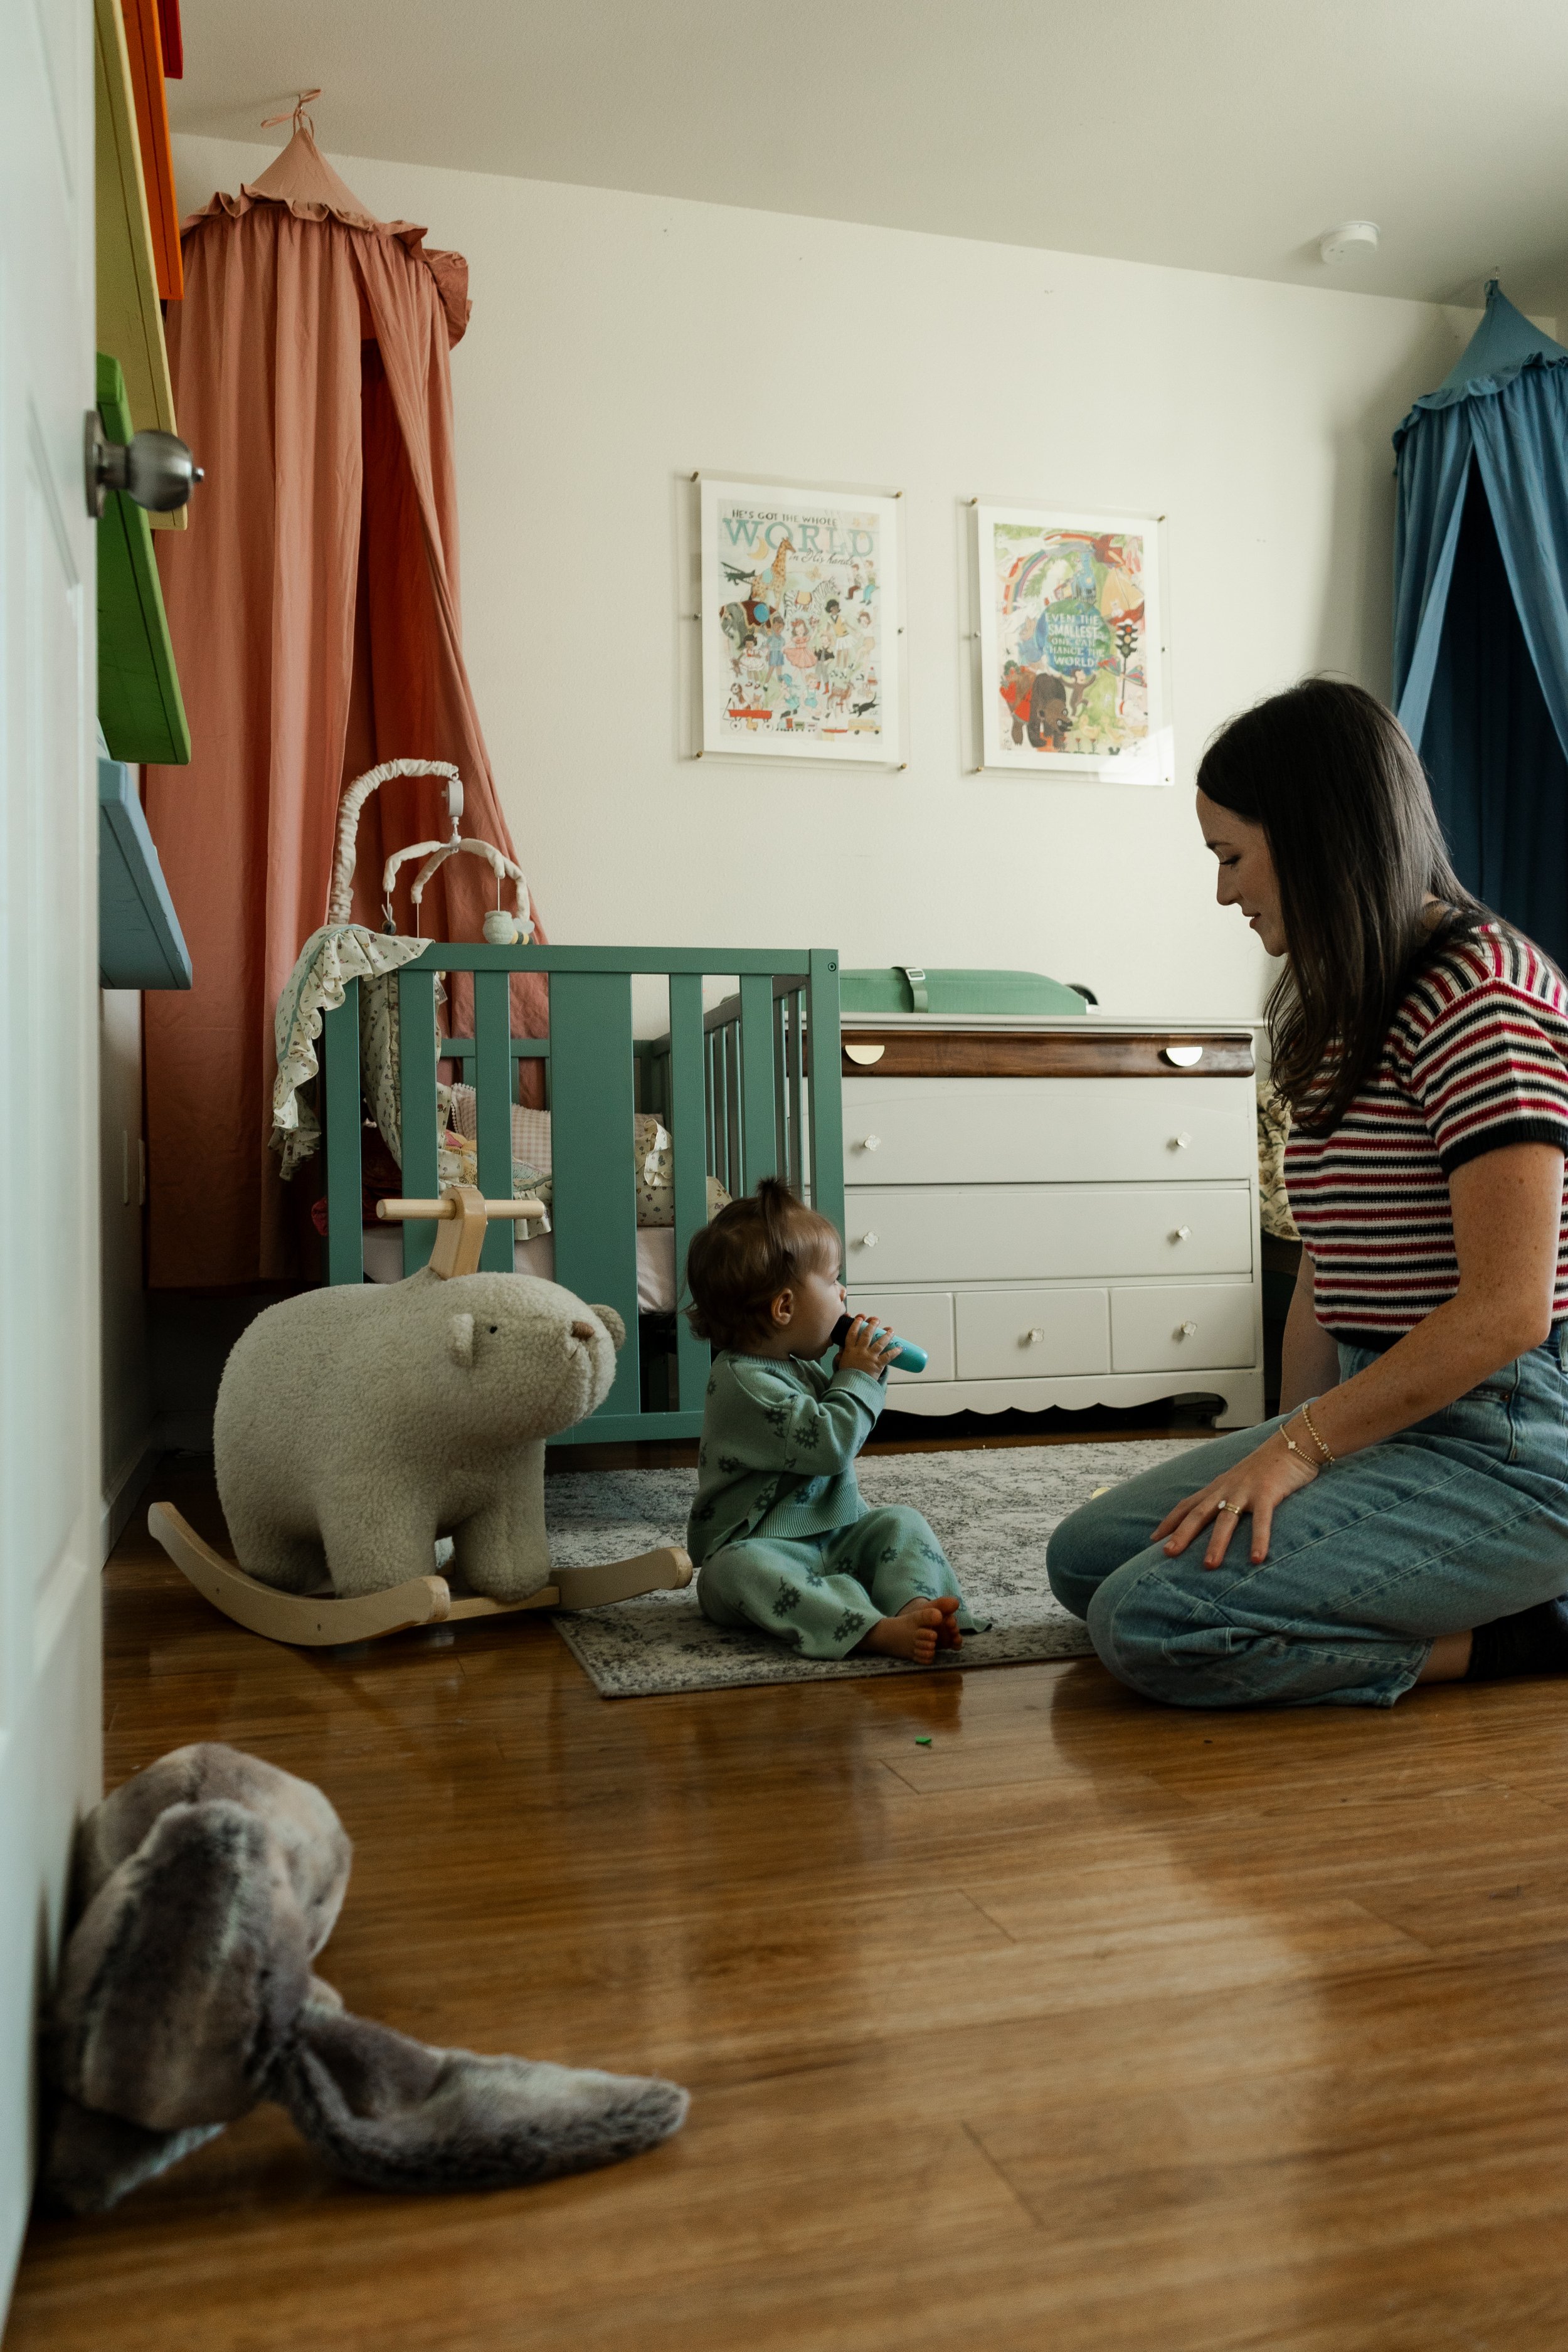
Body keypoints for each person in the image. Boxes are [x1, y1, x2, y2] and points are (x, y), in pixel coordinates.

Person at [1047, 676, 1568, 1707]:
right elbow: (1328, 1267)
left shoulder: (1481, 995)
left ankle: (1538, 1637)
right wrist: (1280, 1450)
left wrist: (1300, 1453)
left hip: (1516, 1435)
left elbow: (1509, 1311)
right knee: (1086, 1559)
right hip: (1394, 1406)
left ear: (1321, 839)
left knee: (1152, 1623)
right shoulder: (1350, 1007)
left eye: (1232, 858)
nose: (1224, 893)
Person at [684, 1180, 982, 1663]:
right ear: (784, 1307)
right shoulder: (744, 1382)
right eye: (832, 1281)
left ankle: (919, 1609)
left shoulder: (797, 1366)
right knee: (730, 1572)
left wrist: (863, 1372)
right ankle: (873, 1631)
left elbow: (846, 1415)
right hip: (767, 1549)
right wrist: (857, 1375)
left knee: (900, 1523)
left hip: (836, 1534)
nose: (844, 1293)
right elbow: (831, 1443)